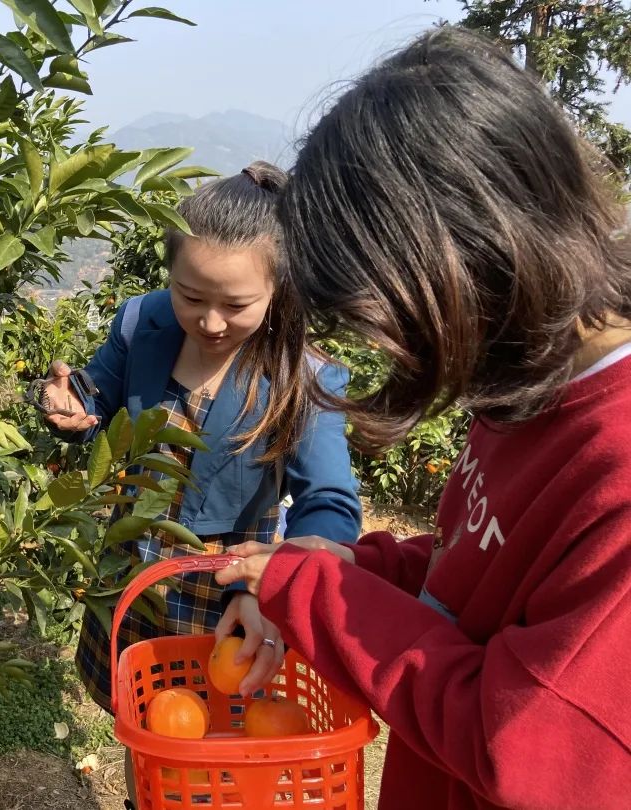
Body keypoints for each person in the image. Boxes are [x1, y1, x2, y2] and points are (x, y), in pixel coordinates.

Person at [216, 27, 631, 810]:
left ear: (472, 265)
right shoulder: (525, 376)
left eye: (396, 327)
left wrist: (317, 594)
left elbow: (521, 744)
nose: (403, 360)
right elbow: (474, 570)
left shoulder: (617, 464)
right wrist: (356, 568)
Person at [37, 162, 362, 713]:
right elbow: (97, 391)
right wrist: (68, 405)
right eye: (191, 297)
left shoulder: (301, 375)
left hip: (230, 590)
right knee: (141, 715)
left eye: (236, 305)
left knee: (215, 732)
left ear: (277, 289)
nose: (210, 323)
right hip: (132, 568)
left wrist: (274, 584)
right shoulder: (143, 323)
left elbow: (329, 502)